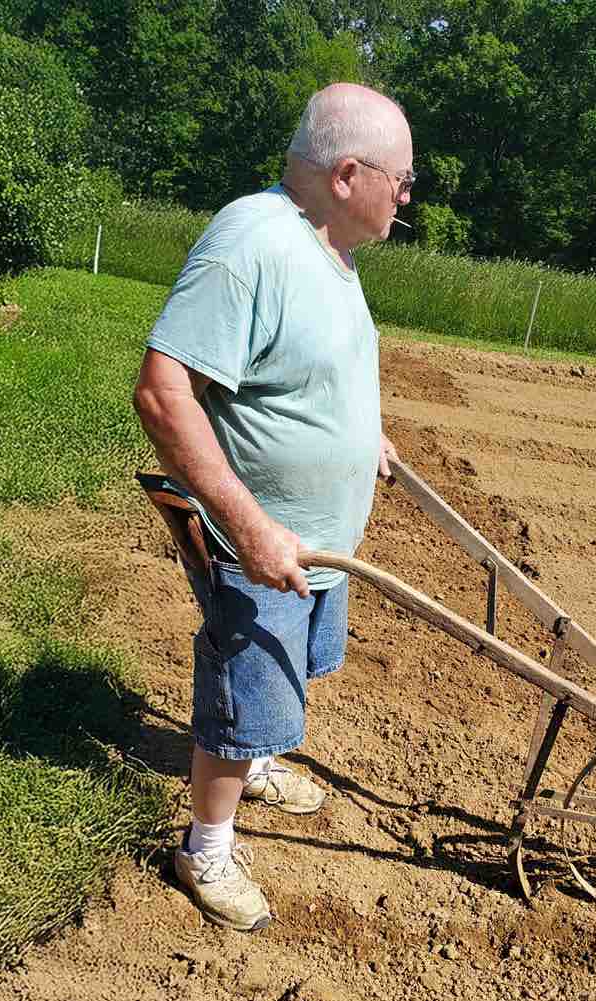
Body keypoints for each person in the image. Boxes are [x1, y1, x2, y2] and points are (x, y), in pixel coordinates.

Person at [132, 83, 413, 931]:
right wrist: (248, 526)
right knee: (243, 684)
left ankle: (250, 762)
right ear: (347, 174)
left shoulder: (328, 249)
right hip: (258, 535)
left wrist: (367, 435)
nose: (407, 195)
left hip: (321, 541)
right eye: (401, 179)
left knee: (284, 674)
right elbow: (162, 392)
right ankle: (204, 848)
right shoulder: (250, 242)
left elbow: (309, 364)